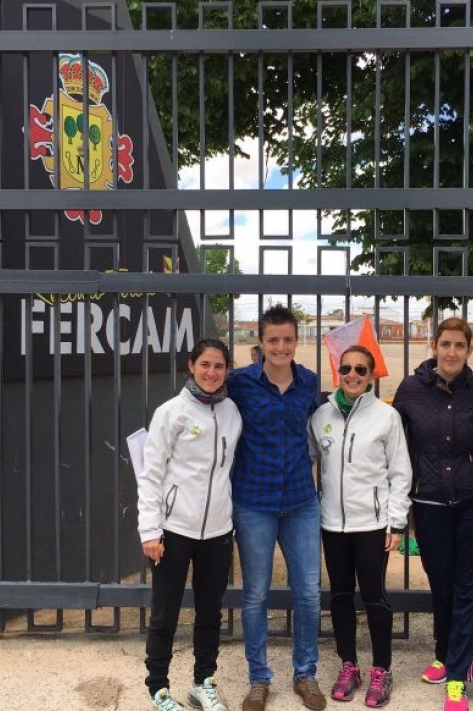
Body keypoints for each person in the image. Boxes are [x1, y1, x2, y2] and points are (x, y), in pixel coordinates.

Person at [226, 304, 326, 711]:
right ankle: (258, 679)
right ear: (261, 343)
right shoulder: (239, 383)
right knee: (255, 595)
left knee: (308, 593)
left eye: (287, 339)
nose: (281, 347)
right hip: (254, 502)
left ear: (296, 341)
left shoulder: (309, 383)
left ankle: (305, 674)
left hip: (301, 501)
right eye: (273, 340)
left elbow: (326, 430)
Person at [390, 317, 473, 711]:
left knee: (468, 589)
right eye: (445, 344)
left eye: (459, 346)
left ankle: (457, 677)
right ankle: (443, 652)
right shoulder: (410, 389)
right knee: (442, 584)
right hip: (430, 501)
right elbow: (391, 437)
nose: (451, 352)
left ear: (469, 350)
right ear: (434, 346)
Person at [137, 338, 243, 711]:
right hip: (173, 530)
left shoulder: (232, 411)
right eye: (205, 365)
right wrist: (150, 529)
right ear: (191, 366)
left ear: (227, 369)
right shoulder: (171, 413)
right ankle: (159, 689)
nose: (212, 373)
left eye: (219, 366)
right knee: (165, 611)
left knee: (210, 611)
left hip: (217, 531)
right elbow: (151, 475)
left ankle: (203, 682)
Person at [310, 345, 412, 708]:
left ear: (371, 376)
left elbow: (400, 473)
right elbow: (308, 461)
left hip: (372, 523)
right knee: (339, 595)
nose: (353, 375)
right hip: (332, 524)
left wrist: (396, 523)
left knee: (373, 596)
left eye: (361, 370)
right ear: (338, 372)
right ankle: (348, 664)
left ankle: (381, 668)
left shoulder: (386, 417)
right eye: (347, 368)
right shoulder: (321, 415)